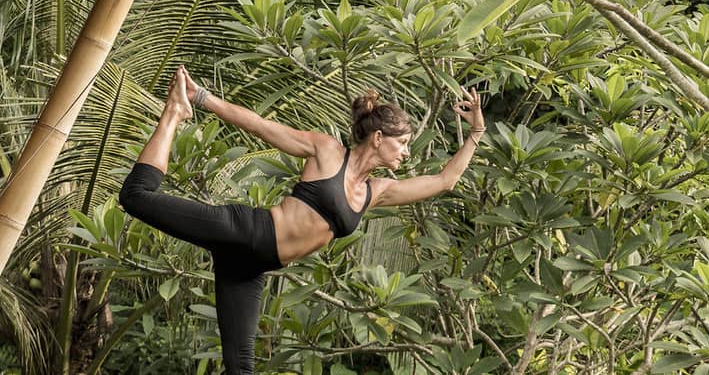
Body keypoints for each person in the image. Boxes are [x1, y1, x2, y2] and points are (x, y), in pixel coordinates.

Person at [118, 66, 485, 375]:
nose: (406, 152)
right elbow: (261, 126)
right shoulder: (326, 151)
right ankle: (173, 114)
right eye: (402, 142)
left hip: (250, 267)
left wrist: (476, 133)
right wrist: (201, 99)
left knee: (240, 367)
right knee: (136, 198)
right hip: (246, 230)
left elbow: (444, 181)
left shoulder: (377, 191)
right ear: (377, 138)